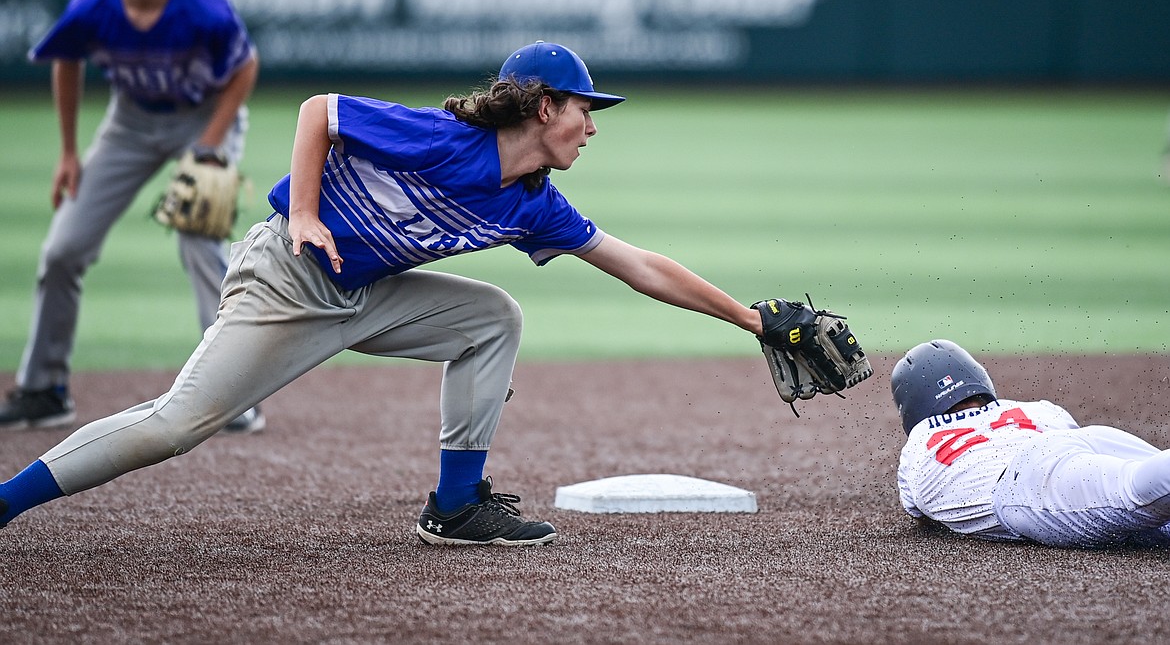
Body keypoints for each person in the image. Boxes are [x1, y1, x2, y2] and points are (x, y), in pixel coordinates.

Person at [0, 40, 777, 546]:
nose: (592, 126)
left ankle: (456, 505)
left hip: (365, 291)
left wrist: (750, 320)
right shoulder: (445, 140)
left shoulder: (533, 202)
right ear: (545, 106)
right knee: (176, 425)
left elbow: (636, 262)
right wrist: (303, 212)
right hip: (287, 279)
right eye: (584, 109)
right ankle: (7, 499)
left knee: (491, 318)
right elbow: (320, 113)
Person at [4, 0, 264, 434]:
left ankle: (234, 391)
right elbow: (65, 60)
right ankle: (44, 387)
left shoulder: (204, 12)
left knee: (201, 241)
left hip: (202, 116)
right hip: (130, 121)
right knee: (62, 249)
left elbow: (244, 69)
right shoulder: (93, 8)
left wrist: (212, 143)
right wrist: (70, 151)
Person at [892, 339, 1170, 548]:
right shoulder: (1036, 407)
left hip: (1026, 482)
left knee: (1133, 492)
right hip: (1089, 438)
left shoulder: (918, 442)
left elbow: (922, 517)